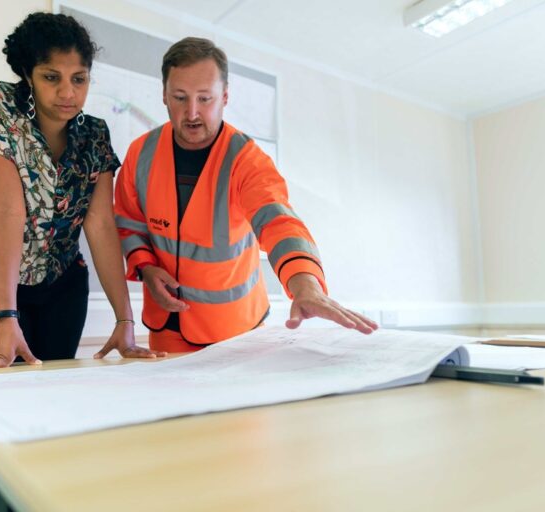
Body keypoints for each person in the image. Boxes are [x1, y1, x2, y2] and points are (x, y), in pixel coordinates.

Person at [114, 37, 379, 353]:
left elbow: (279, 223)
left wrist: (306, 286)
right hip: (165, 327)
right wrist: (145, 266)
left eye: (205, 98)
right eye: (180, 98)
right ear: (164, 96)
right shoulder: (140, 153)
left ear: (225, 97)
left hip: (235, 333)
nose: (192, 112)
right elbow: (129, 223)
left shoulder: (248, 160)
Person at [0, 12, 165, 371]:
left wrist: (125, 322)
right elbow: (6, 210)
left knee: (50, 407)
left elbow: (99, 225)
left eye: (79, 79)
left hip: (62, 290)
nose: (68, 92)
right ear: (28, 75)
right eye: (51, 77)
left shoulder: (94, 134)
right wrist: (5, 316)